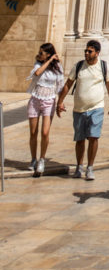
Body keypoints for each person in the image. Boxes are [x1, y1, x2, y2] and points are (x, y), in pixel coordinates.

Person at [57, 39, 109, 180]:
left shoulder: (104, 66)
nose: (86, 53)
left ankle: (90, 167)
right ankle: (79, 166)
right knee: (80, 139)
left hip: (97, 107)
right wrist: (60, 101)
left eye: (90, 51)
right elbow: (68, 84)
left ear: (97, 53)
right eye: (86, 50)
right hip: (79, 109)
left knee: (93, 136)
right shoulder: (78, 66)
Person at [27, 42, 64, 176]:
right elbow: (37, 73)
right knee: (33, 132)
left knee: (45, 132)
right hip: (35, 100)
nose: (39, 54)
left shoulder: (58, 67)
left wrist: (61, 102)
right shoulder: (38, 64)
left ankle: (42, 159)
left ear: (49, 54)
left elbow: (60, 85)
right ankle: (33, 159)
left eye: (42, 52)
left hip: (49, 101)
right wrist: (48, 61)